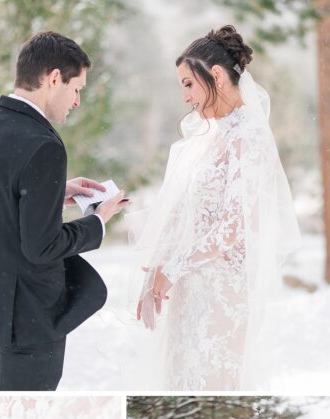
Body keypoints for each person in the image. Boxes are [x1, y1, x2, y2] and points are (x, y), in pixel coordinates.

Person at [0, 31, 127, 390]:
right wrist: (99, 220)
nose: (77, 101)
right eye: (76, 89)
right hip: (30, 320)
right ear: (53, 79)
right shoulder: (43, 145)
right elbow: (42, 246)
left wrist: (51, 194)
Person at [133, 22, 299, 390]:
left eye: (189, 84)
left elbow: (234, 225)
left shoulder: (249, 136)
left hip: (221, 296)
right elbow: (183, 211)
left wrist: (173, 269)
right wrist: (157, 269)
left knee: (209, 387)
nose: (185, 97)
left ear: (218, 76)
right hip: (189, 292)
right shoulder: (208, 137)